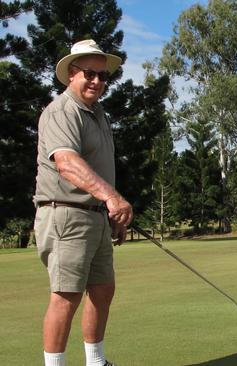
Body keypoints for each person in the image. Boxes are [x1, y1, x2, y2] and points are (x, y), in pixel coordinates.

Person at [33, 40, 133, 366]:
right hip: (65, 214)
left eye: (104, 77)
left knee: (103, 290)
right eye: (90, 73)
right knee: (66, 296)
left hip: (95, 216)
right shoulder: (61, 111)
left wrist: (110, 210)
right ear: (71, 75)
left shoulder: (98, 114)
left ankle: (95, 362)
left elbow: (99, 168)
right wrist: (112, 198)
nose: (97, 81)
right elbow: (66, 162)